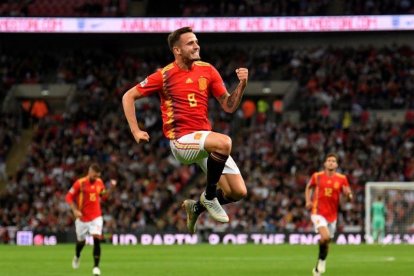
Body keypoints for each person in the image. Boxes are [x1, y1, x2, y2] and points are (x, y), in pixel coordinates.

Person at [122, 26, 248, 233]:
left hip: (204, 140)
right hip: (181, 141)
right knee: (224, 142)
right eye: (190, 43)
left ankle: (196, 206)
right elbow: (128, 96)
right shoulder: (164, 75)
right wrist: (136, 131)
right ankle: (208, 196)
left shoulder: (207, 70)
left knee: (238, 192)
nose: (196, 45)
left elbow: (228, 106)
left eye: (196, 41)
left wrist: (242, 85)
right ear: (177, 50)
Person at [305, 153, 353, 276]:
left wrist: (349, 196)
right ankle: (321, 261)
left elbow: (349, 196)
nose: (331, 162)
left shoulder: (342, 179)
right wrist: (308, 200)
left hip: (332, 215)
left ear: (336, 165)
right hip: (318, 212)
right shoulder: (317, 176)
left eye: (333, 161)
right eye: (329, 160)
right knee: (325, 237)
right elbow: (309, 187)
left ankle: (320, 263)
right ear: (325, 164)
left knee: (326, 242)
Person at [65, 163, 117, 276]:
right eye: (94, 176)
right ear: (89, 172)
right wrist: (74, 210)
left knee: (96, 239)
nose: (96, 178)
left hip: (96, 217)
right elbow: (68, 197)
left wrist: (112, 188)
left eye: (97, 176)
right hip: (82, 218)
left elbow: (104, 195)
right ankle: (77, 256)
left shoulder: (99, 182)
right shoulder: (80, 183)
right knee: (81, 242)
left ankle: (96, 267)